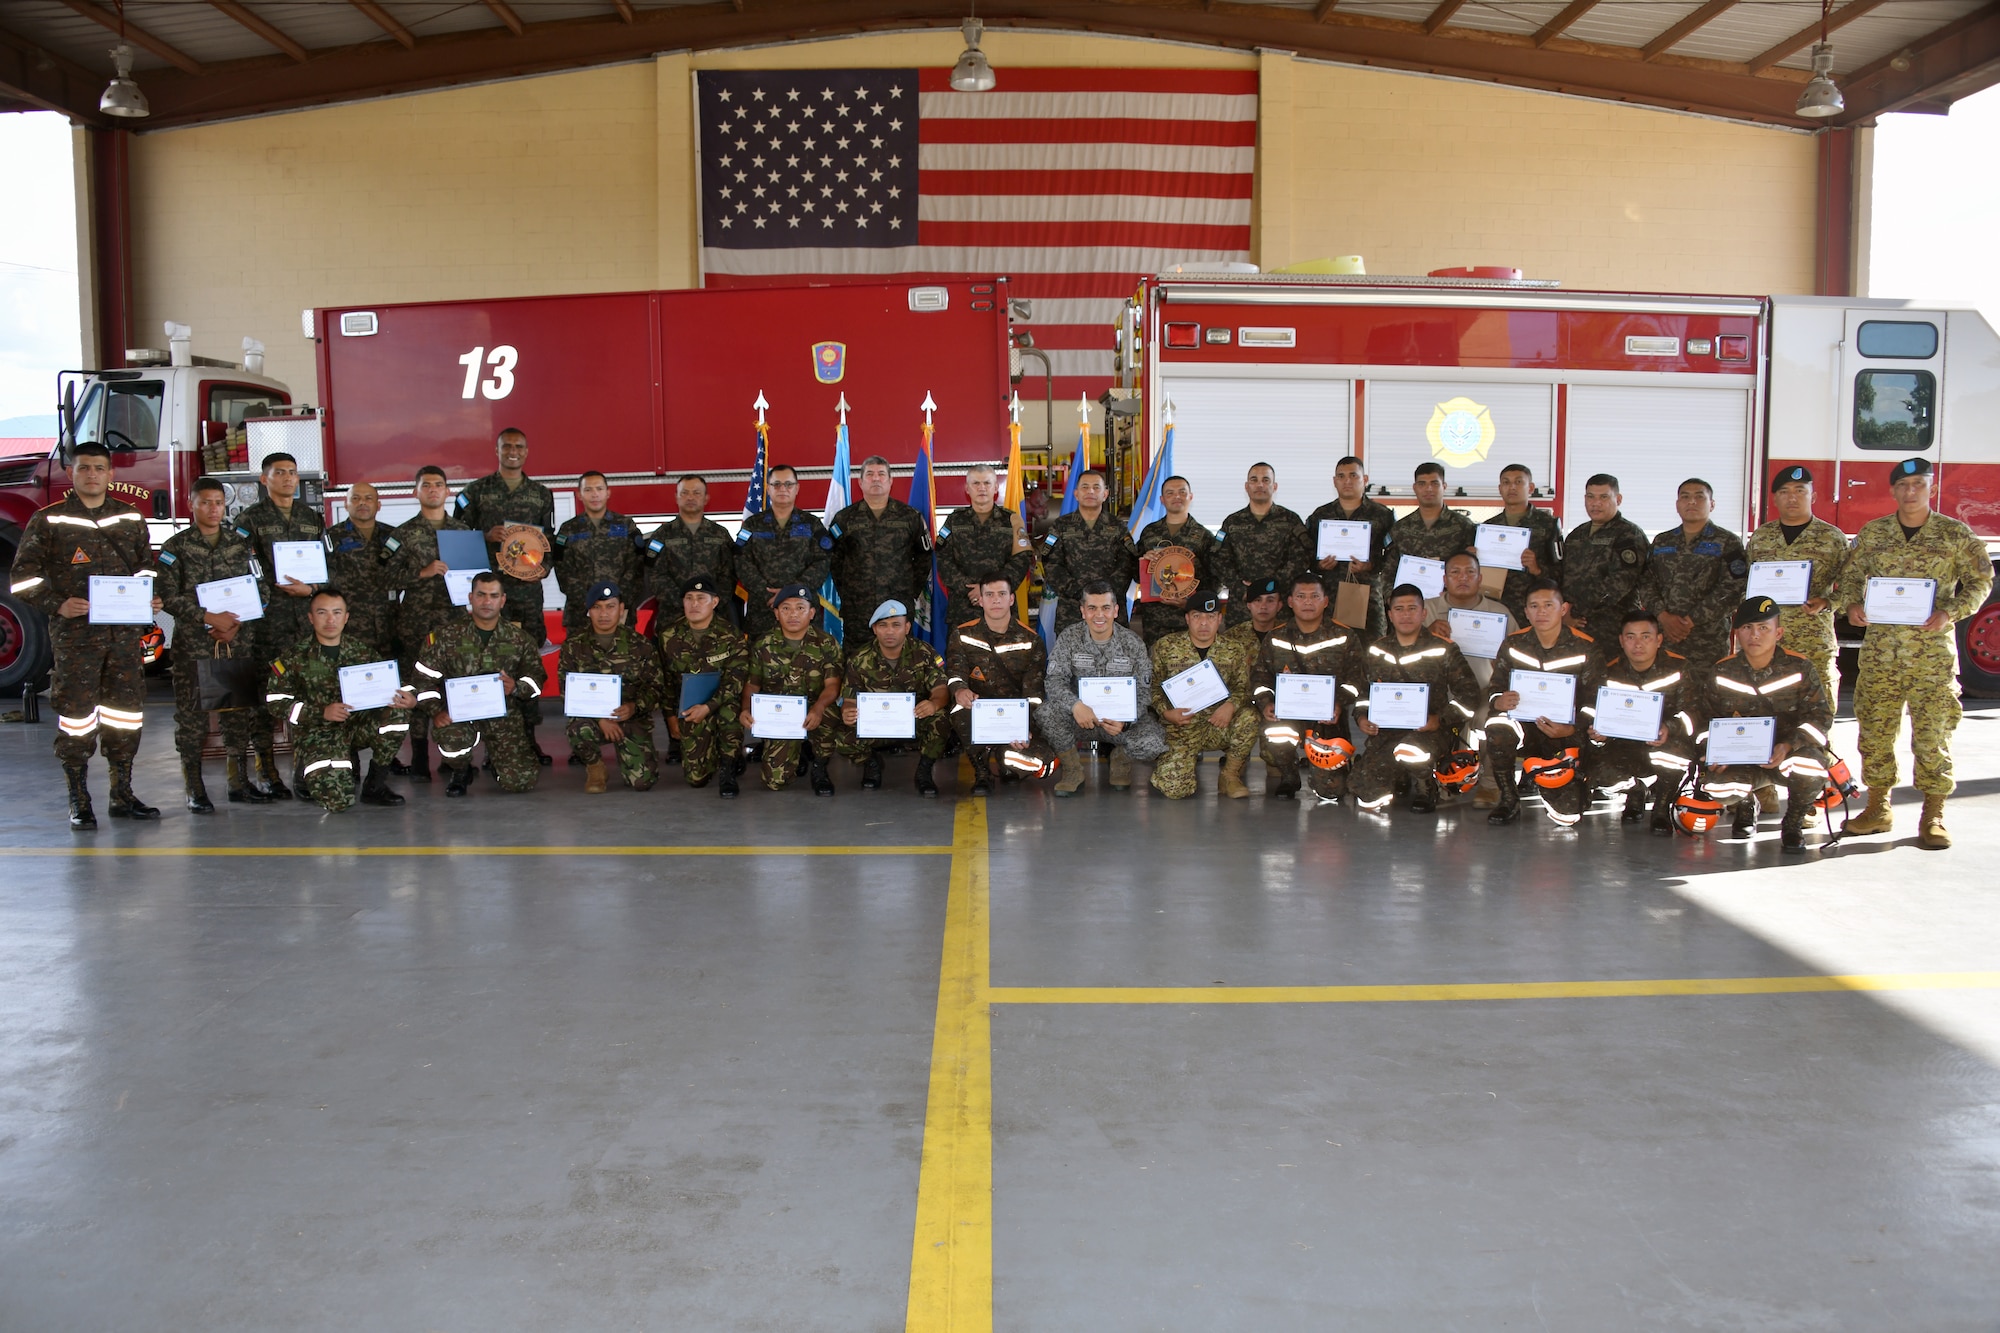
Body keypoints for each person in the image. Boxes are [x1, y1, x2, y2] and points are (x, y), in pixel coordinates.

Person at [1840, 456, 1993, 847]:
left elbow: (1980, 580)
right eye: (1903, 486)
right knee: (1874, 731)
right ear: (1892, 491)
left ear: (1932, 489)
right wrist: (1852, 607)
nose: (1911, 493)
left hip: (1931, 655)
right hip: (1880, 654)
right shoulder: (1873, 534)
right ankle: (1878, 808)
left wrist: (1951, 612)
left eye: (1919, 485)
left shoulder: (1955, 534)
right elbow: (1851, 579)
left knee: (1933, 733)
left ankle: (1934, 814)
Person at [9, 440, 159, 828]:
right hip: (76, 638)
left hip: (124, 637)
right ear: (71, 474)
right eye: (83, 468)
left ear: (111, 474)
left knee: (125, 716)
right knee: (76, 716)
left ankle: (122, 793)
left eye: (99, 468)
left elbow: (145, 568)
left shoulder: (129, 518)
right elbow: (22, 579)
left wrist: (148, 598)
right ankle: (78, 797)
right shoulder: (49, 520)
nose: (91, 474)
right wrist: (57, 603)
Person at [153, 475, 269, 811]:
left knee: (237, 714)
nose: (213, 509)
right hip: (196, 645)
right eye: (205, 502)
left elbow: (259, 588)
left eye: (219, 502)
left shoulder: (240, 544)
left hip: (235, 640)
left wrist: (235, 624)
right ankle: (194, 786)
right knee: (193, 719)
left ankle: (238, 781)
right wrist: (208, 617)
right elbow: (168, 596)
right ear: (192, 505)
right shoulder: (175, 547)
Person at [1701, 596, 1836, 853]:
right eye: (1747, 628)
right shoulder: (1721, 671)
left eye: (1764, 628)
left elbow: (1820, 718)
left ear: (1779, 633)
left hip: (1786, 756)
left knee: (1812, 765)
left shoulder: (1800, 668)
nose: (1755, 635)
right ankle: (1745, 804)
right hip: (1739, 757)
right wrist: (1713, 750)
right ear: (1737, 632)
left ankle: (1793, 822)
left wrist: (1788, 745)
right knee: (1716, 784)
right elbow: (1704, 719)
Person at [454, 428, 557, 762]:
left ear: (527, 452)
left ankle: (528, 740)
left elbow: (548, 542)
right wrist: (484, 535)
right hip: (489, 596)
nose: (513, 451)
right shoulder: (475, 492)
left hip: (527, 594)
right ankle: (492, 746)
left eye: (519, 447)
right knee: (488, 667)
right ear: (496, 450)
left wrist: (545, 568)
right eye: (506, 446)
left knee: (528, 666)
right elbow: (456, 539)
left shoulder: (541, 494)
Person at [264, 587, 412, 811]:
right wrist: (320, 712)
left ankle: (375, 785)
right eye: (322, 613)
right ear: (311, 618)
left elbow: (391, 684)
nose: (330, 619)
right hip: (318, 733)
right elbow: (275, 701)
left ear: (346, 617)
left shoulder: (361, 651)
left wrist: (407, 698)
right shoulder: (294, 657)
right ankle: (305, 767)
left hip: (355, 727)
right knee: (339, 802)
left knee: (398, 714)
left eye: (337, 612)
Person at [236, 450, 326, 798]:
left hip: (305, 623)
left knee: (306, 697)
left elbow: (328, 564)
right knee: (266, 697)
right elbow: (242, 565)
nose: (288, 479)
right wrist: (266, 594)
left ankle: (305, 771)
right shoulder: (250, 520)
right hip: (267, 623)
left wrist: (313, 589)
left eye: (292, 472)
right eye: (279, 473)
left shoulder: (311, 519)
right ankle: (267, 770)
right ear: (264, 479)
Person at [411, 570, 547, 797]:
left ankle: (498, 762)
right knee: (450, 737)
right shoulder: (446, 637)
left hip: (502, 714)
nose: (487, 601)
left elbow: (537, 678)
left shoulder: (519, 639)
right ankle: (461, 770)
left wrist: (516, 687)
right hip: (459, 714)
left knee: (521, 781)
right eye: (481, 594)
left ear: (502, 600)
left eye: (493, 596)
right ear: (470, 598)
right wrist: (436, 712)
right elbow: (422, 679)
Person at [1351, 584, 1481, 814]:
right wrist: (1362, 717)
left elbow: (1470, 695)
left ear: (1424, 613)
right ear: (1390, 615)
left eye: (1412, 608)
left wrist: (1439, 720)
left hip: (1430, 731)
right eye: (1399, 609)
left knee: (1412, 751)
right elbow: (1363, 694)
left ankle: (1426, 786)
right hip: (1387, 730)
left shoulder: (1443, 649)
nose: (1406, 614)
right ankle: (1399, 775)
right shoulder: (1376, 650)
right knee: (1363, 790)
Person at [383, 465, 474, 782]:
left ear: (447, 491)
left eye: (439, 484)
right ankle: (419, 756)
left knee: (455, 685)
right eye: (426, 485)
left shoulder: (463, 534)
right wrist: (420, 573)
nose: (433, 489)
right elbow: (384, 576)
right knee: (418, 685)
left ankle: (456, 756)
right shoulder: (402, 534)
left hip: (456, 622)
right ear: (416, 492)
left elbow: (477, 579)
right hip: (417, 623)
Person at [1485, 578, 1599, 827]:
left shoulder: (1585, 647)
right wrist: (1499, 701)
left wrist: (1572, 728)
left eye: (1549, 604)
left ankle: (1573, 785)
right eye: (1534, 606)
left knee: (1568, 813)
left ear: (1563, 609)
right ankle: (1508, 797)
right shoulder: (1514, 643)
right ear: (1526, 612)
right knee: (1496, 726)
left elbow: (1595, 701)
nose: (1541, 612)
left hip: (1564, 734)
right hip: (1523, 726)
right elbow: (1495, 686)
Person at [1040, 580, 1169, 795]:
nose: (1099, 615)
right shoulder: (1070, 638)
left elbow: (1144, 692)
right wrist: (1075, 706)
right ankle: (1073, 771)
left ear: (1116, 611)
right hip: (1081, 719)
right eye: (1092, 608)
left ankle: (1121, 759)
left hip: (1119, 722)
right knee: (1046, 714)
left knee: (1153, 743)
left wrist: (1126, 721)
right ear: (1083, 611)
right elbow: (1054, 680)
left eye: (1105, 608)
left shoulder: (1132, 643)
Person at [1580, 609, 1698, 834]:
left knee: (1675, 756)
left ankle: (1661, 809)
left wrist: (1668, 728)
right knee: (1597, 769)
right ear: (1621, 641)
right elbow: (1589, 708)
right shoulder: (1609, 671)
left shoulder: (1680, 668)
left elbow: (1692, 712)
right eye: (1630, 637)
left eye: (1646, 636)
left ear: (1659, 640)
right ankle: (1635, 791)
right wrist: (1598, 730)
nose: (1638, 644)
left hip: (1663, 743)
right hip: (1621, 744)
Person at [1253, 573, 1364, 802]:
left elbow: (1358, 680)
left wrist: (1339, 704)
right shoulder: (1275, 637)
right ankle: (1289, 775)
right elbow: (1259, 678)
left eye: (1314, 596)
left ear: (1325, 601)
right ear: (1291, 601)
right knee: (1275, 733)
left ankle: (1335, 772)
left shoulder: (1344, 636)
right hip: (1287, 714)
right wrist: (1266, 704)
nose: (1308, 602)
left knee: (1331, 791)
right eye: (1301, 596)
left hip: (1327, 719)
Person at [1744, 465, 1849, 701]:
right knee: (1763, 707)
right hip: (1763, 642)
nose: (1792, 497)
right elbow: (1746, 584)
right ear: (1774, 498)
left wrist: (1827, 602)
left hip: (1813, 640)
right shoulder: (1761, 537)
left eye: (1800, 490)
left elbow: (1851, 585)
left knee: (1817, 710)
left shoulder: (1832, 538)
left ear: (1813, 496)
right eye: (1784, 491)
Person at [1421, 551, 1519, 805]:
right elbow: (1404, 650)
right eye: (1455, 572)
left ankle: (1490, 785)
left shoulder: (1499, 613)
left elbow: (1519, 657)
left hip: (1486, 693)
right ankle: (1444, 779)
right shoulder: (1426, 610)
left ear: (1480, 578)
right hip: (1440, 696)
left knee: (1495, 726)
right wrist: (1427, 635)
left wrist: (1503, 661)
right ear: (1444, 578)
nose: (1462, 578)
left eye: (1469, 572)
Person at [946, 572, 1054, 796]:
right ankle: (982, 771)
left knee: (1044, 762)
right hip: (978, 707)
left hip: (1015, 712)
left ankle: (1006, 760)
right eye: (990, 594)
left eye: (1002, 594)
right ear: (981, 600)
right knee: (958, 710)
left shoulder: (1031, 639)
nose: (996, 600)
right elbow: (955, 672)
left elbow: (1034, 692)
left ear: (1011, 599)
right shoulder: (962, 633)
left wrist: (1026, 726)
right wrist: (959, 690)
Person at [1148, 589, 1259, 800]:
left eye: (1210, 617)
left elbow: (1242, 688)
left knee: (1250, 718)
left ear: (1219, 619)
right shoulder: (1165, 646)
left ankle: (1230, 775)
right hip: (1180, 727)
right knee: (1175, 790)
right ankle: (1172, 763)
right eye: (1197, 616)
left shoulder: (1234, 649)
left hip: (1218, 723)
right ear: (1187, 618)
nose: (1204, 623)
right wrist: (1166, 713)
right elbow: (1152, 688)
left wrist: (1231, 706)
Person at [834, 599, 950, 797]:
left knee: (940, 718)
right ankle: (870, 763)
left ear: (906, 628)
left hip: (915, 720)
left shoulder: (924, 653)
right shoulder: (859, 658)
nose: (889, 631)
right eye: (883, 625)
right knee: (839, 733)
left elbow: (941, 690)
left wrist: (933, 704)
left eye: (896, 625)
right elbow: (850, 698)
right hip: (876, 724)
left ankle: (924, 770)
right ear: (874, 629)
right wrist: (847, 711)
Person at [556, 580, 663, 794]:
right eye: (597, 607)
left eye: (610, 606)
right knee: (578, 729)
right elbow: (567, 691)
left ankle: (630, 758)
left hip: (630, 718)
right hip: (593, 720)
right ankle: (595, 767)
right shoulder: (574, 646)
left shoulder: (640, 645)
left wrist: (634, 707)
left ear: (621, 609)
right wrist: (599, 718)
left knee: (642, 782)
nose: (603, 613)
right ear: (588, 611)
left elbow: (655, 687)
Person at [741, 583, 844, 794]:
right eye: (786, 608)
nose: (793, 614)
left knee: (831, 715)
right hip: (781, 717)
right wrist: (745, 709)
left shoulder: (826, 643)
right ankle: (796, 754)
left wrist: (818, 708)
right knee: (774, 782)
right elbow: (752, 684)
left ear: (812, 613)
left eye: (800, 608)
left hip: (815, 711)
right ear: (776, 614)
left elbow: (833, 686)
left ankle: (820, 766)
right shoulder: (764, 645)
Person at [1636, 477, 1748, 668]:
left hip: (1708, 640)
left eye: (1699, 497)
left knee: (1707, 693)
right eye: (1685, 497)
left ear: (1712, 504)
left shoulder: (1727, 542)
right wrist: (1663, 616)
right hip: (1665, 636)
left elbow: (1734, 588)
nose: (1692, 502)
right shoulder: (1663, 541)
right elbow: (1646, 582)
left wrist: (1691, 620)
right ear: (1677, 504)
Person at [658, 575, 750, 797]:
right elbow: (665, 683)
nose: (694, 604)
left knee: (730, 711)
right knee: (696, 779)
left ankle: (728, 766)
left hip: (722, 703)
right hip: (690, 709)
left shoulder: (731, 635)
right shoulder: (668, 637)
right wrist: (671, 718)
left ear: (715, 602)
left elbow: (736, 680)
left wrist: (709, 706)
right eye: (689, 598)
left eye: (701, 598)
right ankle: (716, 756)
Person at [831, 455, 932, 628]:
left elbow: (924, 557)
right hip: (858, 608)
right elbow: (834, 559)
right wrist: (849, 592)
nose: (876, 478)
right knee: (857, 655)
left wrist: (909, 591)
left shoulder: (910, 517)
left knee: (899, 653)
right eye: (869, 474)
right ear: (860, 482)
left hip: (898, 606)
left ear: (890, 480)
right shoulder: (844, 518)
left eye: (881, 474)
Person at [735, 463, 834, 638]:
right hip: (763, 609)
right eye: (777, 484)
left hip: (801, 610)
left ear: (797, 488)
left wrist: (791, 593)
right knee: (761, 662)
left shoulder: (811, 524)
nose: (783, 489)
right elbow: (741, 561)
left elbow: (822, 561)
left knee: (806, 661)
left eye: (788, 484)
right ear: (768, 488)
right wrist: (766, 593)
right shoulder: (752, 524)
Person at [935, 463, 1033, 632]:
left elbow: (1022, 560)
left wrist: (988, 590)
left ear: (996, 487)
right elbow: (943, 558)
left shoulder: (1011, 520)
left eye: (987, 483)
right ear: (967, 488)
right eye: (976, 483)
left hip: (1000, 607)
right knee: (961, 657)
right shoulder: (954, 520)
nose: (982, 488)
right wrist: (968, 588)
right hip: (963, 608)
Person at [1040, 469, 1138, 634]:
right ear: (1076, 494)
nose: (1090, 491)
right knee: (1072, 657)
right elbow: (1051, 562)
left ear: (1105, 494)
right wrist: (1078, 591)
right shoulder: (1061, 525)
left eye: (1096, 487)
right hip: (1072, 609)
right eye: (1085, 487)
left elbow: (1127, 562)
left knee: (1113, 658)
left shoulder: (1117, 526)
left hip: (1109, 610)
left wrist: (1105, 593)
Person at [1307, 455, 1396, 637]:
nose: (1347, 481)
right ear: (1334, 481)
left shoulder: (1382, 515)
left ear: (1365, 479)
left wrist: (1371, 565)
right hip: (1330, 597)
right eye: (1341, 476)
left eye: (1353, 475)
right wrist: (1318, 565)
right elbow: (1306, 552)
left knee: (1373, 652)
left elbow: (1394, 556)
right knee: (1331, 651)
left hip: (1368, 597)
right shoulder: (1320, 515)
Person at [1560, 473, 1650, 647]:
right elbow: (1562, 575)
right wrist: (1562, 612)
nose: (1596, 503)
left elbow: (1619, 583)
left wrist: (1576, 610)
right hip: (1571, 626)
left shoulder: (1629, 534)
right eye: (1590, 497)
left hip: (1610, 629)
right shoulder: (1577, 534)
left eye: (1604, 497)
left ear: (1618, 499)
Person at [552, 472, 646, 637]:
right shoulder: (568, 529)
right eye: (588, 489)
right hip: (580, 614)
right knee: (581, 661)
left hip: (619, 613)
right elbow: (563, 570)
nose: (594, 494)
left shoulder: (626, 526)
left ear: (608, 492)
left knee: (621, 661)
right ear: (579, 494)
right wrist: (589, 601)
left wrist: (616, 602)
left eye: (599, 489)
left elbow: (636, 567)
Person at [1216, 462, 1310, 624]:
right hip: (1242, 606)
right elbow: (1218, 559)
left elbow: (1301, 558)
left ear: (1275, 486)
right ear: (1246, 486)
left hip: (1279, 607)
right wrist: (1240, 586)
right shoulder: (1232, 522)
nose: (1260, 484)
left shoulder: (1290, 520)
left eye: (1266, 480)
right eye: (1254, 480)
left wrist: (1272, 586)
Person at [1134, 475, 1220, 646]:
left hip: (1190, 620)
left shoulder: (1203, 536)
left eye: (1182, 492)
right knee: (1157, 667)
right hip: (1155, 620)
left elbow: (1215, 580)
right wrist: (1145, 562)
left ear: (1191, 496)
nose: (1177, 497)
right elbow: (1135, 574)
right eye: (1170, 493)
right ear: (1162, 499)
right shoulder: (1149, 533)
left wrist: (1192, 603)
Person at [323, 481, 398, 661]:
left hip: (391, 624)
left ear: (378, 505)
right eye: (355, 498)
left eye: (368, 498)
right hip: (351, 625)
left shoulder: (393, 535)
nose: (362, 503)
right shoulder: (331, 537)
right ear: (346, 504)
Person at [642, 475, 738, 617]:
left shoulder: (720, 534)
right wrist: (684, 602)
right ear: (676, 497)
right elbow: (655, 575)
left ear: (706, 498)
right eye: (685, 493)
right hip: (673, 616)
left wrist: (710, 602)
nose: (690, 497)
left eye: (696, 493)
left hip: (714, 616)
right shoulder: (662, 535)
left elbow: (730, 574)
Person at [1483, 463, 1565, 623]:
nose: (1512, 487)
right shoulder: (1487, 528)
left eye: (1519, 482)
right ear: (1500, 489)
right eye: (1506, 483)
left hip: (1534, 610)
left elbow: (1562, 573)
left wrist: (1537, 569)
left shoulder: (1548, 525)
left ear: (1531, 487)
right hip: (1495, 609)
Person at [1387, 462, 1479, 579]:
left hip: (1448, 596)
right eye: (1422, 484)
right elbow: (1389, 570)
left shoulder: (1464, 526)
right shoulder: (1400, 528)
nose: (1428, 489)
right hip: (1410, 595)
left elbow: (1472, 568)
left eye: (1434, 483)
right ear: (1415, 488)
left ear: (1444, 486)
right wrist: (1392, 597)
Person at [1222, 577, 1286, 656]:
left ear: (1279, 605)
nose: (1263, 606)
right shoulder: (1231, 637)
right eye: (1258, 600)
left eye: (1270, 600)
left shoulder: (1291, 636)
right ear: (1249, 605)